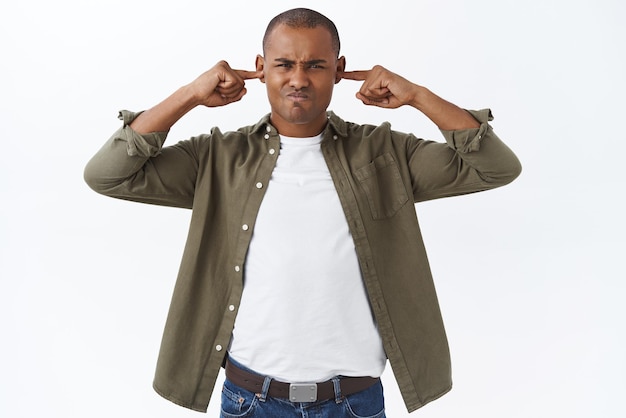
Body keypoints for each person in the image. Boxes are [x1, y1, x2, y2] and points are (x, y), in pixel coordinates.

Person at [84, 7, 521, 418]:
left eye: (315, 65)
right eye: (284, 64)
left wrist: (417, 96)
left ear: (338, 67)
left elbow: (496, 168)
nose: (299, 78)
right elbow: (108, 175)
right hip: (249, 400)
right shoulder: (217, 157)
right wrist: (190, 95)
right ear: (260, 68)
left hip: (354, 401)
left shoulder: (386, 153)